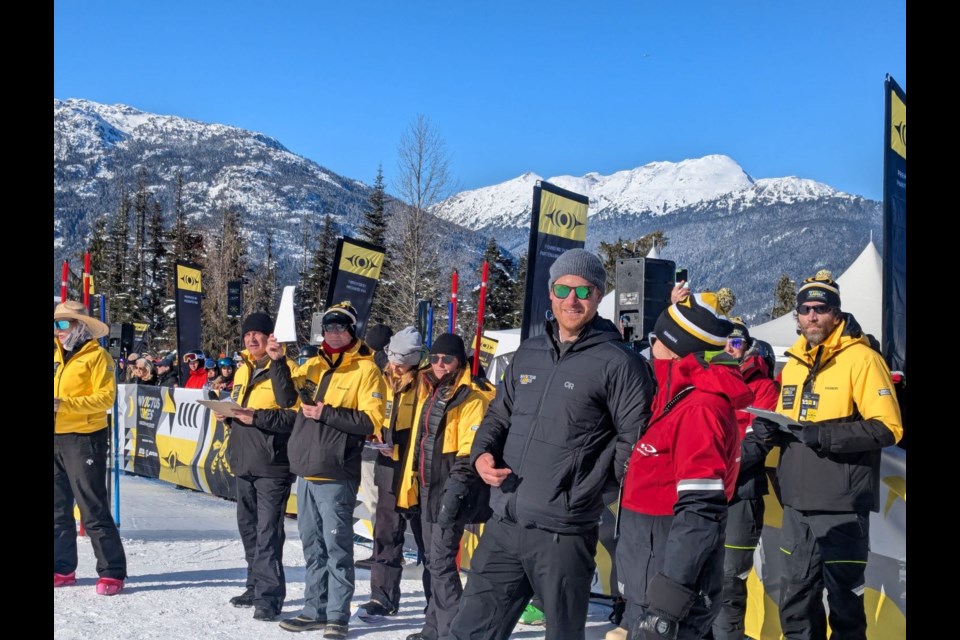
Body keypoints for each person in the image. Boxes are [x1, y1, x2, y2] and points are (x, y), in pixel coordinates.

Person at [450, 248, 655, 640]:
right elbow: (498, 416)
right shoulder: (529, 352)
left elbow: (636, 442)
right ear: (551, 293)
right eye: (563, 289)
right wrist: (481, 454)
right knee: (469, 630)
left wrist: (585, 492)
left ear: (598, 297)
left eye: (583, 291)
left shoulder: (620, 364)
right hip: (506, 520)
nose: (571, 300)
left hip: (564, 532)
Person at [752, 271, 903, 640]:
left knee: (845, 606)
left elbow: (888, 428)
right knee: (796, 600)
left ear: (836, 313)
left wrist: (826, 435)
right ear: (798, 315)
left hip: (842, 506)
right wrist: (769, 431)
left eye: (821, 308)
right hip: (796, 505)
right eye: (805, 309)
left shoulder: (862, 358)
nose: (812, 316)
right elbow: (794, 422)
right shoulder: (793, 364)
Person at [619, 292, 753, 640]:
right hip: (651, 579)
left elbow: (700, 512)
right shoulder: (676, 396)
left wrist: (664, 608)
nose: (649, 349)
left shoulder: (699, 409)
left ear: (673, 349)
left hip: (667, 593)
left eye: (654, 341)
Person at [268, 301, 386, 639]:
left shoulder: (366, 370)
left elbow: (370, 421)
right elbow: (286, 397)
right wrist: (277, 360)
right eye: (329, 328)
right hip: (306, 470)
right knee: (312, 545)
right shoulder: (313, 365)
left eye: (340, 328)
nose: (333, 333)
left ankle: (337, 614)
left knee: (337, 548)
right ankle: (314, 609)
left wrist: (327, 413)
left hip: (336, 472)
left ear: (352, 331)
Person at [398, 333, 493, 640]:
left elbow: (470, 451)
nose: (439, 364)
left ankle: (454, 631)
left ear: (459, 361)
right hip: (425, 487)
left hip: (451, 490)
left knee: (441, 564)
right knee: (432, 563)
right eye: (435, 358)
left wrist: (455, 492)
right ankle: (433, 627)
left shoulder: (471, 396)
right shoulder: (431, 391)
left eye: (447, 359)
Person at [217, 312, 298, 622]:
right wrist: (227, 416)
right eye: (247, 334)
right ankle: (254, 585)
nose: (252, 339)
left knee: (268, 532)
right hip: (243, 460)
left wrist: (259, 418)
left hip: (272, 464)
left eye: (258, 334)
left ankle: (270, 596)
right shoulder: (243, 370)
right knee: (249, 528)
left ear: (270, 337)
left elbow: (293, 416)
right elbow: (242, 409)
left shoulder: (286, 369)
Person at [711, 319, 780, 640]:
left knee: (728, 581)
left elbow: (758, 441)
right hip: (702, 493)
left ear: (747, 346)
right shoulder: (706, 379)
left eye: (737, 343)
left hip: (741, 493)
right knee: (695, 574)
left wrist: (712, 463)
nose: (730, 348)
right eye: (725, 342)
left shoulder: (762, 387)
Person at [54, 300, 127, 595]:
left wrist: (65, 404)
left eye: (62, 324)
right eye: (55, 324)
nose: (57, 330)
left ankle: (112, 571)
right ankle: (62, 566)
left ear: (79, 326)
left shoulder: (97, 356)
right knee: (57, 507)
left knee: (92, 506)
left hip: (84, 437)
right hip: (57, 435)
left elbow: (105, 398)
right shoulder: (56, 355)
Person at [359, 326, 431, 618]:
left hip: (419, 471)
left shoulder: (427, 382)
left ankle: (437, 605)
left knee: (429, 543)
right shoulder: (382, 376)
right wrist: (375, 435)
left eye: (403, 362)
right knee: (386, 535)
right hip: (388, 468)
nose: (396, 366)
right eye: (393, 360)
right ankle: (382, 598)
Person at [356, 321, 396, 568]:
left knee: (377, 502)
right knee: (377, 502)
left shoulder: (378, 370)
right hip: (376, 443)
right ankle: (381, 549)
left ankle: (383, 551)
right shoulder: (382, 369)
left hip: (377, 443)